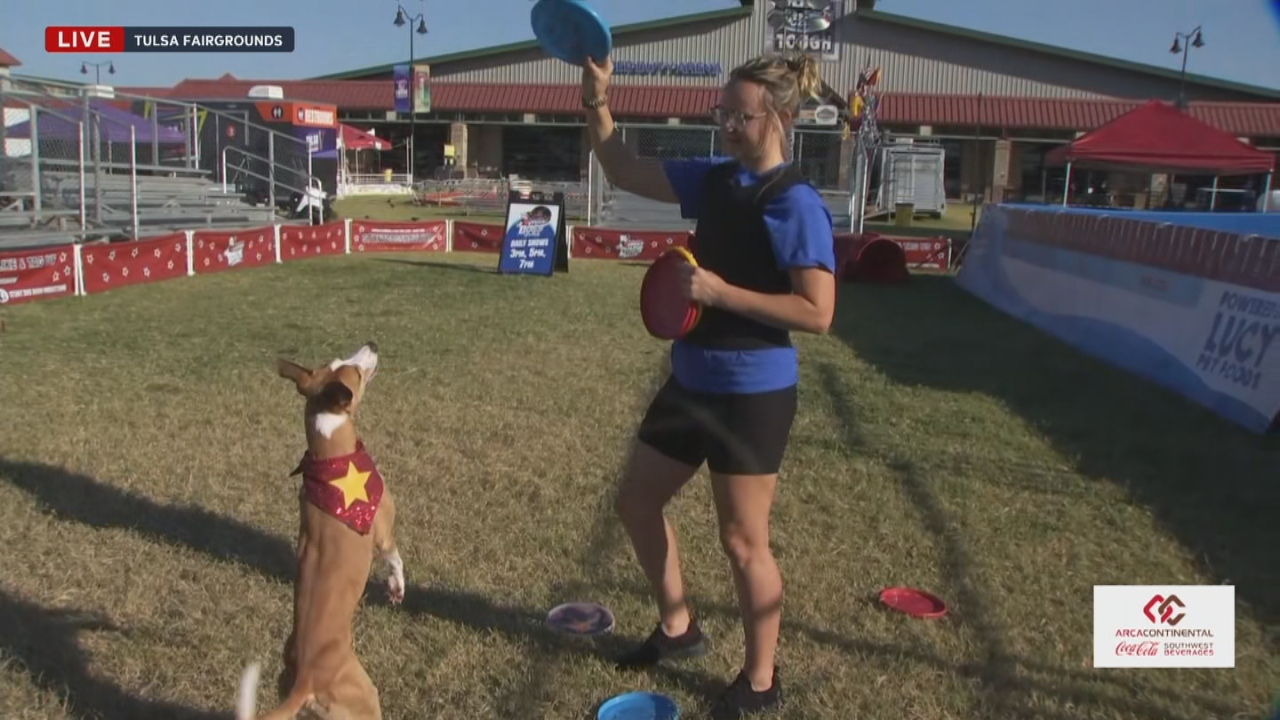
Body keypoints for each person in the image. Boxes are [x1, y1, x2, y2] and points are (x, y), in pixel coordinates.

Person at [582, 52, 837, 718]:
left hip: (753, 391)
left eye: (739, 115)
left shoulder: (795, 202)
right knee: (637, 500)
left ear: (780, 117)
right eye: (720, 112)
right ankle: (677, 628)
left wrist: (722, 293)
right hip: (690, 377)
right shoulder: (714, 179)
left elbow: (818, 311)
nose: (725, 124)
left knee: (742, 540)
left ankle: (759, 681)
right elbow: (623, 167)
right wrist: (596, 101)